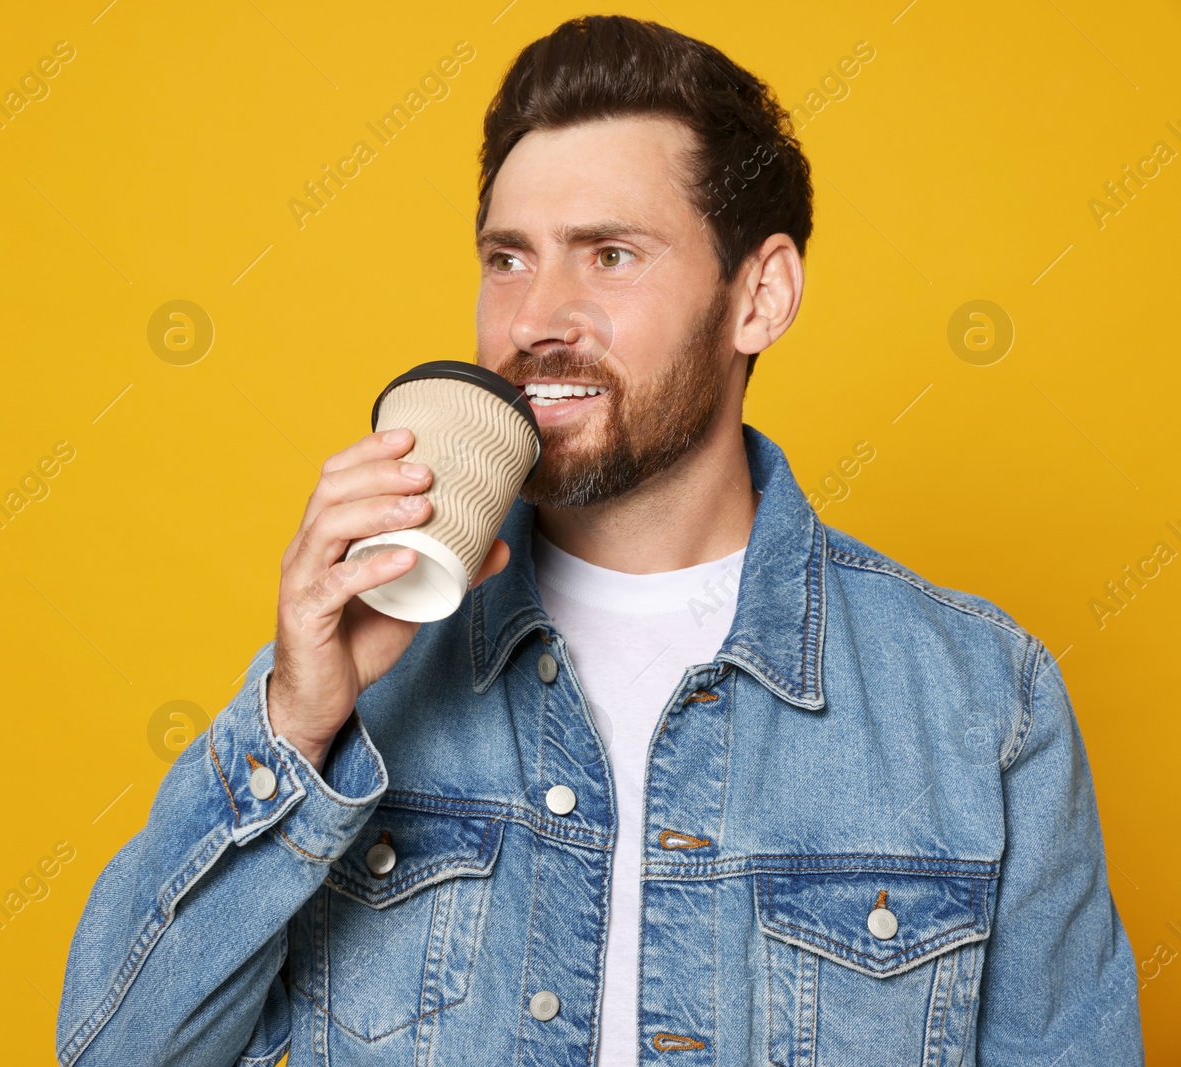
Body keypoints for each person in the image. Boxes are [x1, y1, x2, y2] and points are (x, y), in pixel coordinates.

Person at [56, 15, 1143, 1066]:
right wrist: (296, 719)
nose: (539, 316)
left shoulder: (980, 698)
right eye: (507, 258)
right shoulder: (358, 675)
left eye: (610, 255)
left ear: (758, 295)